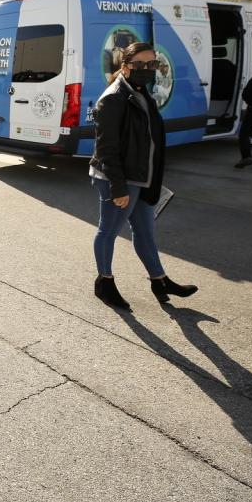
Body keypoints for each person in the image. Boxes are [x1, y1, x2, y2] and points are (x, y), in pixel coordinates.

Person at [89, 41, 198, 309]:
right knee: (108, 231)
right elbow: (106, 149)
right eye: (140, 64)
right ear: (125, 67)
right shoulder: (113, 98)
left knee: (146, 233)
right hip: (117, 179)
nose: (148, 69)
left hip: (141, 177)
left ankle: (159, 280)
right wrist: (118, 188)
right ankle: (104, 282)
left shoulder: (140, 93)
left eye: (152, 64)